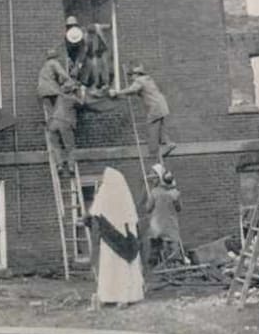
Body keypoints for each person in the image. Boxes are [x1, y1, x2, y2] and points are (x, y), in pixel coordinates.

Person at [85, 167, 144, 307]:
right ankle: (125, 297)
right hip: (123, 240)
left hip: (109, 241)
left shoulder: (103, 195)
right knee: (123, 268)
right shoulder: (124, 196)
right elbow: (132, 221)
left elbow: (94, 215)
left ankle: (109, 296)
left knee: (110, 268)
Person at [110, 64, 175, 162]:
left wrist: (117, 93)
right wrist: (122, 94)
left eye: (132, 75)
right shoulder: (148, 79)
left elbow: (132, 90)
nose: (131, 78)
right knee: (160, 127)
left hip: (154, 107)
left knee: (152, 129)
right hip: (161, 105)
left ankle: (154, 154)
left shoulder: (139, 80)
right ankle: (168, 143)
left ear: (137, 74)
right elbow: (135, 92)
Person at [145, 165, 184, 266]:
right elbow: (179, 208)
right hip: (170, 226)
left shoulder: (154, 192)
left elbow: (148, 208)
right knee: (173, 249)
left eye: (154, 178)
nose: (153, 181)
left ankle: (154, 267)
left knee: (155, 249)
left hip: (157, 227)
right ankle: (176, 265)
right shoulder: (175, 193)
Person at [47, 79, 83, 175]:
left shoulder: (59, 96)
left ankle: (59, 165)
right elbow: (82, 104)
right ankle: (71, 167)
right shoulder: (73, 99)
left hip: (53, 123)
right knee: (70, 146)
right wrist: (79, 91)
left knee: (56, 146)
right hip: (65, 123)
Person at [37, 47, 69, 118]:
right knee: (58, 110)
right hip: (52, 90)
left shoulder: (45, 65)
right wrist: (66, 82)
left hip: (42, 91)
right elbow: (63, 75)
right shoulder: (54, 63)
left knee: (49, 112)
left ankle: (50, 124)